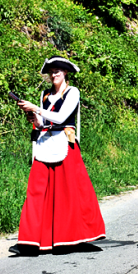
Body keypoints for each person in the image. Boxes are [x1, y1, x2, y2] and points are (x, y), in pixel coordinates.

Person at [14, 56, 106, 253]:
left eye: (57, 70)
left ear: (65, 73)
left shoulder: (73, 92)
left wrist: (36, 108)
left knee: (68, 193)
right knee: (36, 191)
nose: (53, 74)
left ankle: (71, 237)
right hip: (45, 143)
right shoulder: (45, 95)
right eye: (51, 71)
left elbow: (61, 117)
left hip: (65, 144)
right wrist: (33, 116)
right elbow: (43, 123)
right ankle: (29, 241)